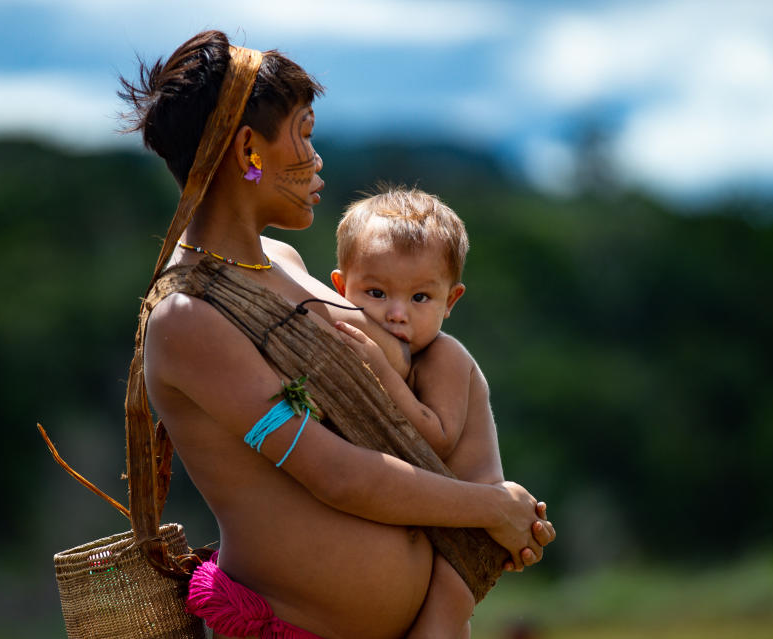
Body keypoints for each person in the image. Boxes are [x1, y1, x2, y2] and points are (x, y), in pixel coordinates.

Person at [120, 30, 555, 639]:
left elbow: (418, 378)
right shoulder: (188, 317)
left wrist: (494, 519)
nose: (315, 156)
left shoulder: (288, 263)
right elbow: (338, 476)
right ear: (250, 149)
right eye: (304, 130)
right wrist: (491, 509)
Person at [330, 186, 509, 637]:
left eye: (420, 298)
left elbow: (437, 438)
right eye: (374, 292)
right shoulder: (374, 349)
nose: (395, 314)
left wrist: (380, 371)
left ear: (451, 301)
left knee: (442, 626)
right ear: (339, 288)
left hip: (470, 533)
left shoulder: (445, 357)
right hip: (433, 523)